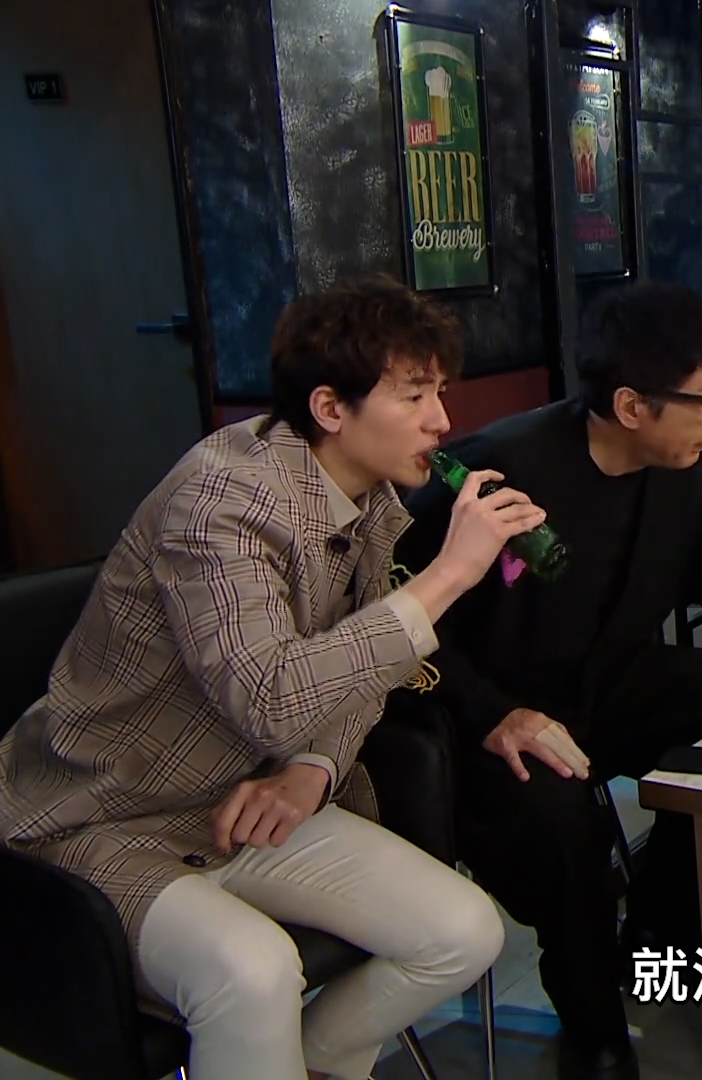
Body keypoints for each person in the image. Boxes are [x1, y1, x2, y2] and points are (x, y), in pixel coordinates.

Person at [0, 276, 521, 1080]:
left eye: (440, 392)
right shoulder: (220, 504)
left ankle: (310, 1064)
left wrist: (313, 768)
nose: (442, 421)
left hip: (238, 798)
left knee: (464, 930)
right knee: (255, 972)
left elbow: (363, 667)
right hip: (101, 814)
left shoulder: (369, 495)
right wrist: (449, 575)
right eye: (415, 395)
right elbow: (273, 698)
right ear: (329, 408)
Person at [393, 280, 702, 1080]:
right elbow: (399, 621)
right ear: (633, 405)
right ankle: (594, 1023)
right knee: (563, 823)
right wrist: (494, 714)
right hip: (487, 717)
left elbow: (698, 562)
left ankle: (678, 936)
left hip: (600, 683)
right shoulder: (498, 470)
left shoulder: (670, 463)